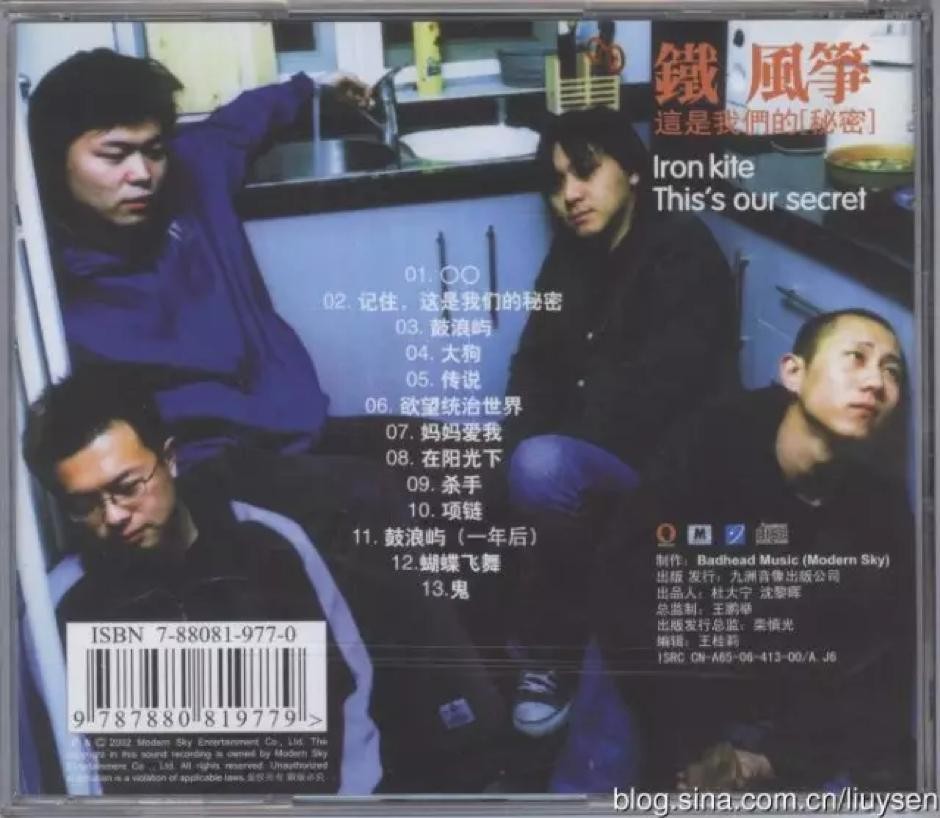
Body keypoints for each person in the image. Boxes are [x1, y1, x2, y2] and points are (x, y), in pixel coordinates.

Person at [23, 368, 508, 794]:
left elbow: (348, 690)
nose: (113, 516)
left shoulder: (270, 543)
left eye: (128, 487)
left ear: (169, 459)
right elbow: (84, 773)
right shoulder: (61, 610)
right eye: (84, 504)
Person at [590, 309, 914, 790]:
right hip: (666, 664)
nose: (876, 383)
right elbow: (631, 584)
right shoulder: (715, 437)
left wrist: (771, 760)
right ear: (793, 373)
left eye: (892, 371)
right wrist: (697, 745)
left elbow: (876, 662)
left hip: (771, 695)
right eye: (856, 358)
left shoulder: (881, 508)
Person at [503, 106, 739, 736]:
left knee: (543, 468)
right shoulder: (572, 254)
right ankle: (560, 642)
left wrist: (545, 447)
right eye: (557, 183)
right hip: (600, 455)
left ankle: (559, 650)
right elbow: (533, 364)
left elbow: (659, 394)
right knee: (519, 462)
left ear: (632, 170)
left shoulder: (681, 250)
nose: (570, 195)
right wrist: (516, 437)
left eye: (585, 171)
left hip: (673, 468)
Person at [27, 47, 370, 470]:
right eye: (114, 156)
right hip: (209, 468)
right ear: (54, 161)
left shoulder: (191, 172)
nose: (141, 174)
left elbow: (239, 123)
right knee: (394, 496)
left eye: (153, 151)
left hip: (295, 426)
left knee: (443, 453)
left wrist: (313, 88)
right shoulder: (47, 285)